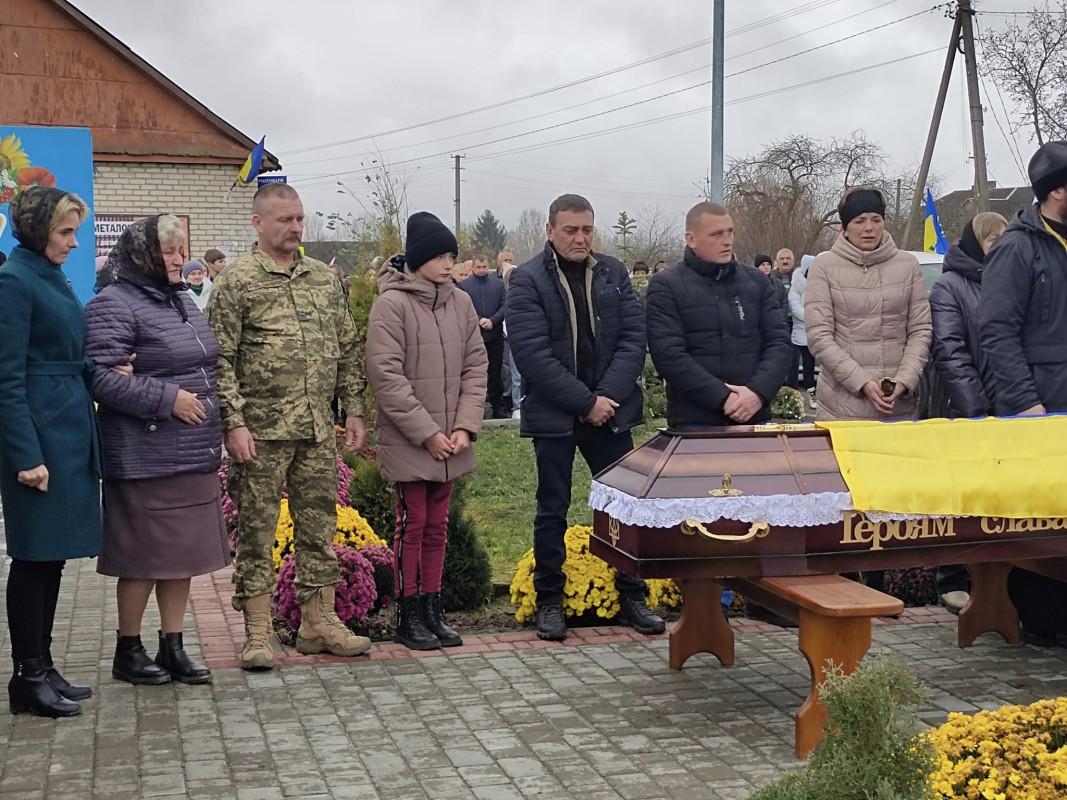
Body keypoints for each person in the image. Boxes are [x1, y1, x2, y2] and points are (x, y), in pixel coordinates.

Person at [207, 183, 371, 670]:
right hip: (259, 435)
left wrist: (355, 409)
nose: (296, 227)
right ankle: (258, 630)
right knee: (257, 533)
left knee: (319, 529)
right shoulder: (237, 282)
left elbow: (347, 346)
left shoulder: (323, 279)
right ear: (258, 223)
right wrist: (232, 423)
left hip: (318, 431)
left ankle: (317, 623)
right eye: (285, 220)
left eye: (300, 219)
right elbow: (218, 361)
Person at [506, 193, 663, 642]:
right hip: (556, 415)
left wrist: (607, 396)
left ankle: (632, 594)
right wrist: (584, 402)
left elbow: (635, 338)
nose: (580, 238)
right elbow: (532, 355)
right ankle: (550, 601)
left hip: (610, 414)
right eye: (570, 230)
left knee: (622, 506)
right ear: (550, 230)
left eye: (587, 229)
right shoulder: (527, 280)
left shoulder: (612, 272)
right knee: (552, 508)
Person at [85, 216, 229, 686]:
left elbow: (206, 361)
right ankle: (128, 649)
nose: (177, 259)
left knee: (181, 556)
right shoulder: (113, 304)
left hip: (192, 449)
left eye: (181, 250)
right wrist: (169, 400)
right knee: (143, 558)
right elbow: (101, 377)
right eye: (168, 251)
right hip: (146, 454)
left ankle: (173, 645)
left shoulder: (182, 300)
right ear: (142, 255)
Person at [0, 186, 102, 717]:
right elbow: (6, 378)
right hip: (39, 436)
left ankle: (43, 662)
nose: (74, 242)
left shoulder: (48, 275)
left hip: (66, 426)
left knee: (53, 556)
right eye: (65, 232)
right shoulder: (13, 281)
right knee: (33, 556)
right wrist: (24, 456)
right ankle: (26, 677)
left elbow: (63, 350)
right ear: (39, 231)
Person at [366, 213, 488, 651]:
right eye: (439, 255)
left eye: (451, 255)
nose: (448, 263)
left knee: (438, 526)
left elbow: (476, 367)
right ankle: (407, 611)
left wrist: (464, 427)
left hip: (451, 438)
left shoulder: (461, 303)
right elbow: (386, 375)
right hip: (411, 440)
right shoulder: (391, 305)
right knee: (411, 524)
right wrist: (427, 433)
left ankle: (433, 610)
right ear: (418, 260)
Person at [927, 211, 1008, 615]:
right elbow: (950, 351)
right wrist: (977, 409)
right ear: (977, 243)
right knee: (963, 496)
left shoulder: (1010, 281)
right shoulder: (949, 286)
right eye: (994, 241)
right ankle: (953, 578)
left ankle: (1001, 582)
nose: (1001, 248)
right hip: (967, 410)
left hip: (1011, 409)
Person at [646, 207, 792, 430]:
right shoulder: (666, 285)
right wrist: (724, 398)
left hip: (755, 413)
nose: (727, 241)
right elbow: (669, 355)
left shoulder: (757, 281)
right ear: (691, 239)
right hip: (694, 419)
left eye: (730, 232)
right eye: (716, 234)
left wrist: (757, 393)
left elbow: (779, 342)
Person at [805, 187, 932, 422]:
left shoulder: (908, 265)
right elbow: (819, 337)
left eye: (876, 219)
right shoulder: (824, 267)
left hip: (899, 406)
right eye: (859, 221)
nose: (869, 228)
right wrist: (861, 382)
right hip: (841, 408)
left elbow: (920, 330)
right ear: (845, 226)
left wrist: (904, 380)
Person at [981, 141, 1067, 416]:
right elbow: (998, 331)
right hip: (1043, 404)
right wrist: (1025, 401)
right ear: (1056, 190)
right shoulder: (1015, 248)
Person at [458, 254, 508, 418]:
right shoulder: (463, 286)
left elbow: (505, 305)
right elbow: (462, 308)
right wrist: (478, 320)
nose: (481, 270)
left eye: (484, 267)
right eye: (478, 267)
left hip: (495, 335)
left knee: (496, 372)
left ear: (489, 266)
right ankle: (473, 409)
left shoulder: (499, 285)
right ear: (472, 268)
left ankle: (497, 406)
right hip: (473, 336)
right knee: (473, 373)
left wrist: (493, 321)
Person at [788, 255, 818, 408]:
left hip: (817, 332)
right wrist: (809, 317)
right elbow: (794, 306)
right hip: (800, 333)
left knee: (814, 366)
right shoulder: (797, 285)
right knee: (799, 365)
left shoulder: (820, 283)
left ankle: (816, 393)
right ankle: (799, 395)